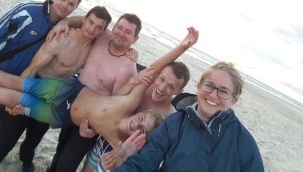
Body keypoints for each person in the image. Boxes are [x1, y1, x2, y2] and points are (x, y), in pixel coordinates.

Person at [0, 26, 199, 153]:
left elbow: (128, 159)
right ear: (140, 113)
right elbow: (155, 67)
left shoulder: (116, 139)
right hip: (68, 91)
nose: (136, 124)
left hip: (60, 115)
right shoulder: (128, 104)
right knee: (10, 82)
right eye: (141, 119)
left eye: (140, 128)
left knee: (11, 97)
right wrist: (182, 46)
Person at [0, 0, 83, 172]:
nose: (65, 5)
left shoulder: (64, 29)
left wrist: (67, 21)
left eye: (71, 4)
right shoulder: (28, 11)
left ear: (75, 8)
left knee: (4, 137)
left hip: (19, 84)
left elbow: (88, 21)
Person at [111, 61, 265, 172]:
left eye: (223, 91)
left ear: (234, 99)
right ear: (199, 87)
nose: (213, 94)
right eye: (209, 85)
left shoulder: (245, 144)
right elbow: (142, 164)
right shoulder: (173, 124)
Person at [47, 13, 142, 172]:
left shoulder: (128, 68)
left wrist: (96, 128)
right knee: (59, 150)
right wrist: (64, 22)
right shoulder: (102, 36)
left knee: (66, 165)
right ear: (113, 28)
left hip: (89, 120)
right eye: (119, 28)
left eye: (128, 32)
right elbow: (83, 21)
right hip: (70, 102)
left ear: (135, 39)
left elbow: (114, 105)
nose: (121, 33)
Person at [83, 61, 191, 172]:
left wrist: (123, 159)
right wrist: (132, 81)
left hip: (126, 162)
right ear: (157, 75)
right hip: (103, 144)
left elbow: (155, 153)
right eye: (162, 79)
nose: (162, 87)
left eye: (170, 86)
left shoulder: (171, 119)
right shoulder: (142, 89)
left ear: (179, 91)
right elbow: (114, 103)